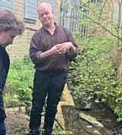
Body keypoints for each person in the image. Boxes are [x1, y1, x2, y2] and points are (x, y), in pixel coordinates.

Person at [28, 2, 78, 135]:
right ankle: (34, 131)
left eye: (47, 13)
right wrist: (50, 52)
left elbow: (74, 54)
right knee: (37, 105)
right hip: (42, 75)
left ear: (53, 13)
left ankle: (48, 131)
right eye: (41, 15)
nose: (45, 17)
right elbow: (34, 57)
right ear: (39, 18)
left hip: (59, 76)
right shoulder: (37, 36)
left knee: (52, 106)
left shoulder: (65, 33)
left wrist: (69, 46)